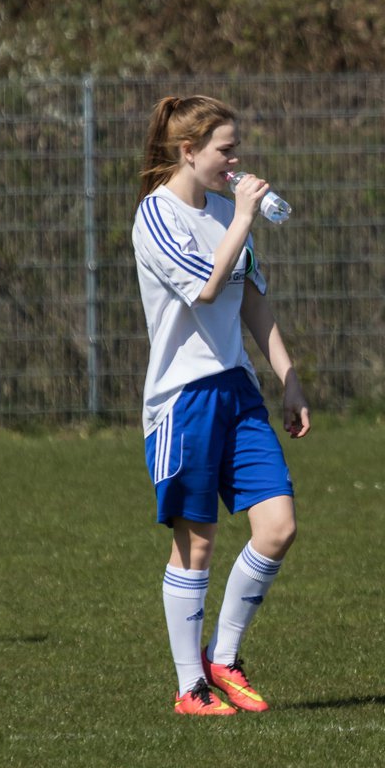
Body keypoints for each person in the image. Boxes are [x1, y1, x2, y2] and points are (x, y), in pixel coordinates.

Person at [132, 95, 310, 715]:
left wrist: (288, 377)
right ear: (189, 152)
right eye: (225, 150)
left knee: (279, 525)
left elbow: (252, 300)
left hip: (237, 389)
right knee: (197, 542)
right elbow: (208, 290)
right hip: (185, 398)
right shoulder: (157, 216)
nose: (237, 160)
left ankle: (224, 659)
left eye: (236, 148)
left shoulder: (222, 210)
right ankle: (190, 687)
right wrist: (241, 217)